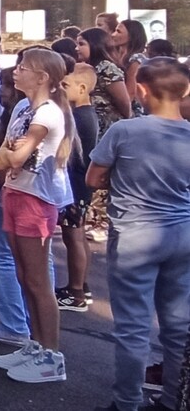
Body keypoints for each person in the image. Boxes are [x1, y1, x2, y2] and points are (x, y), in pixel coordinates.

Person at [88, 57, 190, 411]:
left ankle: (127, 401)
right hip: (181, 233)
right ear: (186, 91)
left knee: (133, 325)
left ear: (141, 90)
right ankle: (174, 400)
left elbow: (93, 178)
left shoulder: (125, 131)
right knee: (177, 325)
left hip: (135, 234)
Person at [0, 48, 75, 383]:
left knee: (39, 279)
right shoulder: (23, 107)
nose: (17, 71)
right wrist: (8, 154)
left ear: (43, 78)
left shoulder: (49, 113)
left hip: (36, 199)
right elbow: (0, 157)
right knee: (24, 275)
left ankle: (51, 355)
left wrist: (10, 154)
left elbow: (15, 156)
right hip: (15, 193)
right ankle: (35, 344)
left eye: (25, 67)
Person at [56, 63, 99, 312]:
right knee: (77, 236)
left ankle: (76, 293)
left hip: (75, 186)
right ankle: (80, 284)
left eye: (66, 85)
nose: (62, 89)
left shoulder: (81, 117)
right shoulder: (83, 114)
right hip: (78, 187)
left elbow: (75, 156)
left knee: (73, 236)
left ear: (82, 88)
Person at [78, 28, 132, 135]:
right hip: (91, 124)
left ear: (95, 45)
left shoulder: (106, 68)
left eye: (81, 44)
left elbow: (123, 101)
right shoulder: (85, 67)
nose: (77, 48)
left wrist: (127, 120)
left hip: (107, 127)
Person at [113, 19, 149, 113]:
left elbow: (131, 91)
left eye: (118, 31)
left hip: (133, 110)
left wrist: (124, 113)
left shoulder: (135, 58)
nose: (113, 35)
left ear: (131, 36)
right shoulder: (118, 57)